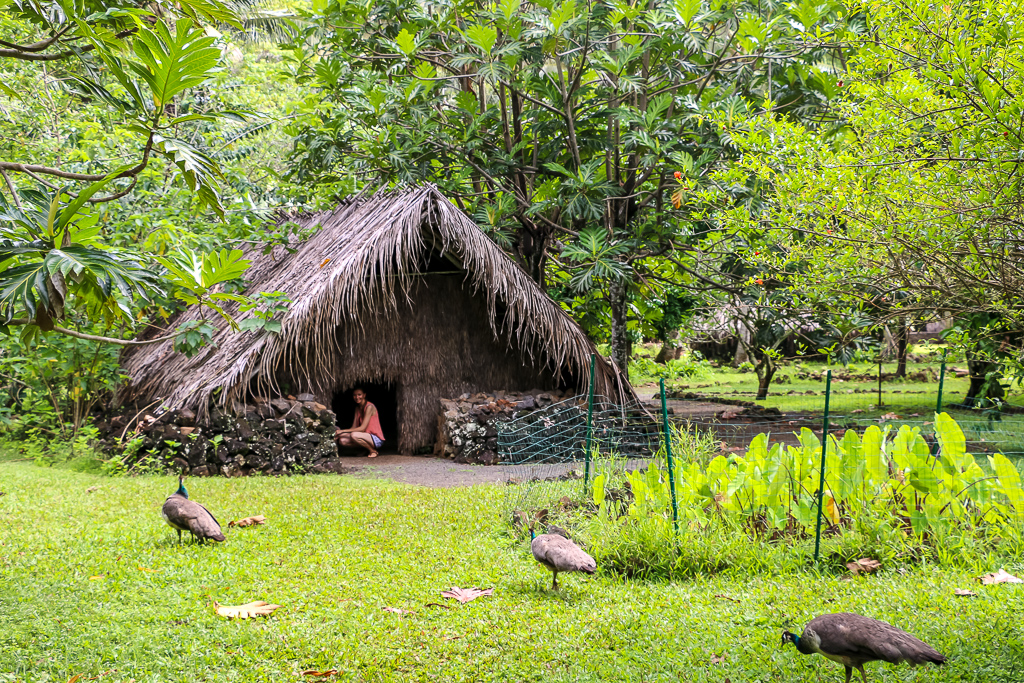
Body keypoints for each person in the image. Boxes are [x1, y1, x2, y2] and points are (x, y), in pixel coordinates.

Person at [335, 387, 385, 458]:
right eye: (354, 395)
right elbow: (354, 427)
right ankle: (364, 449)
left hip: (376, 438)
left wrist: (342, 431)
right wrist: (340, 434)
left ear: (364, 395)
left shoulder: (369, 407)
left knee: (354, 435)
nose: (357, 397)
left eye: (359, 395)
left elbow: (362, 428)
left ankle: (373, 451)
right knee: (342, 440)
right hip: (365, 436)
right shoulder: (357, 408)